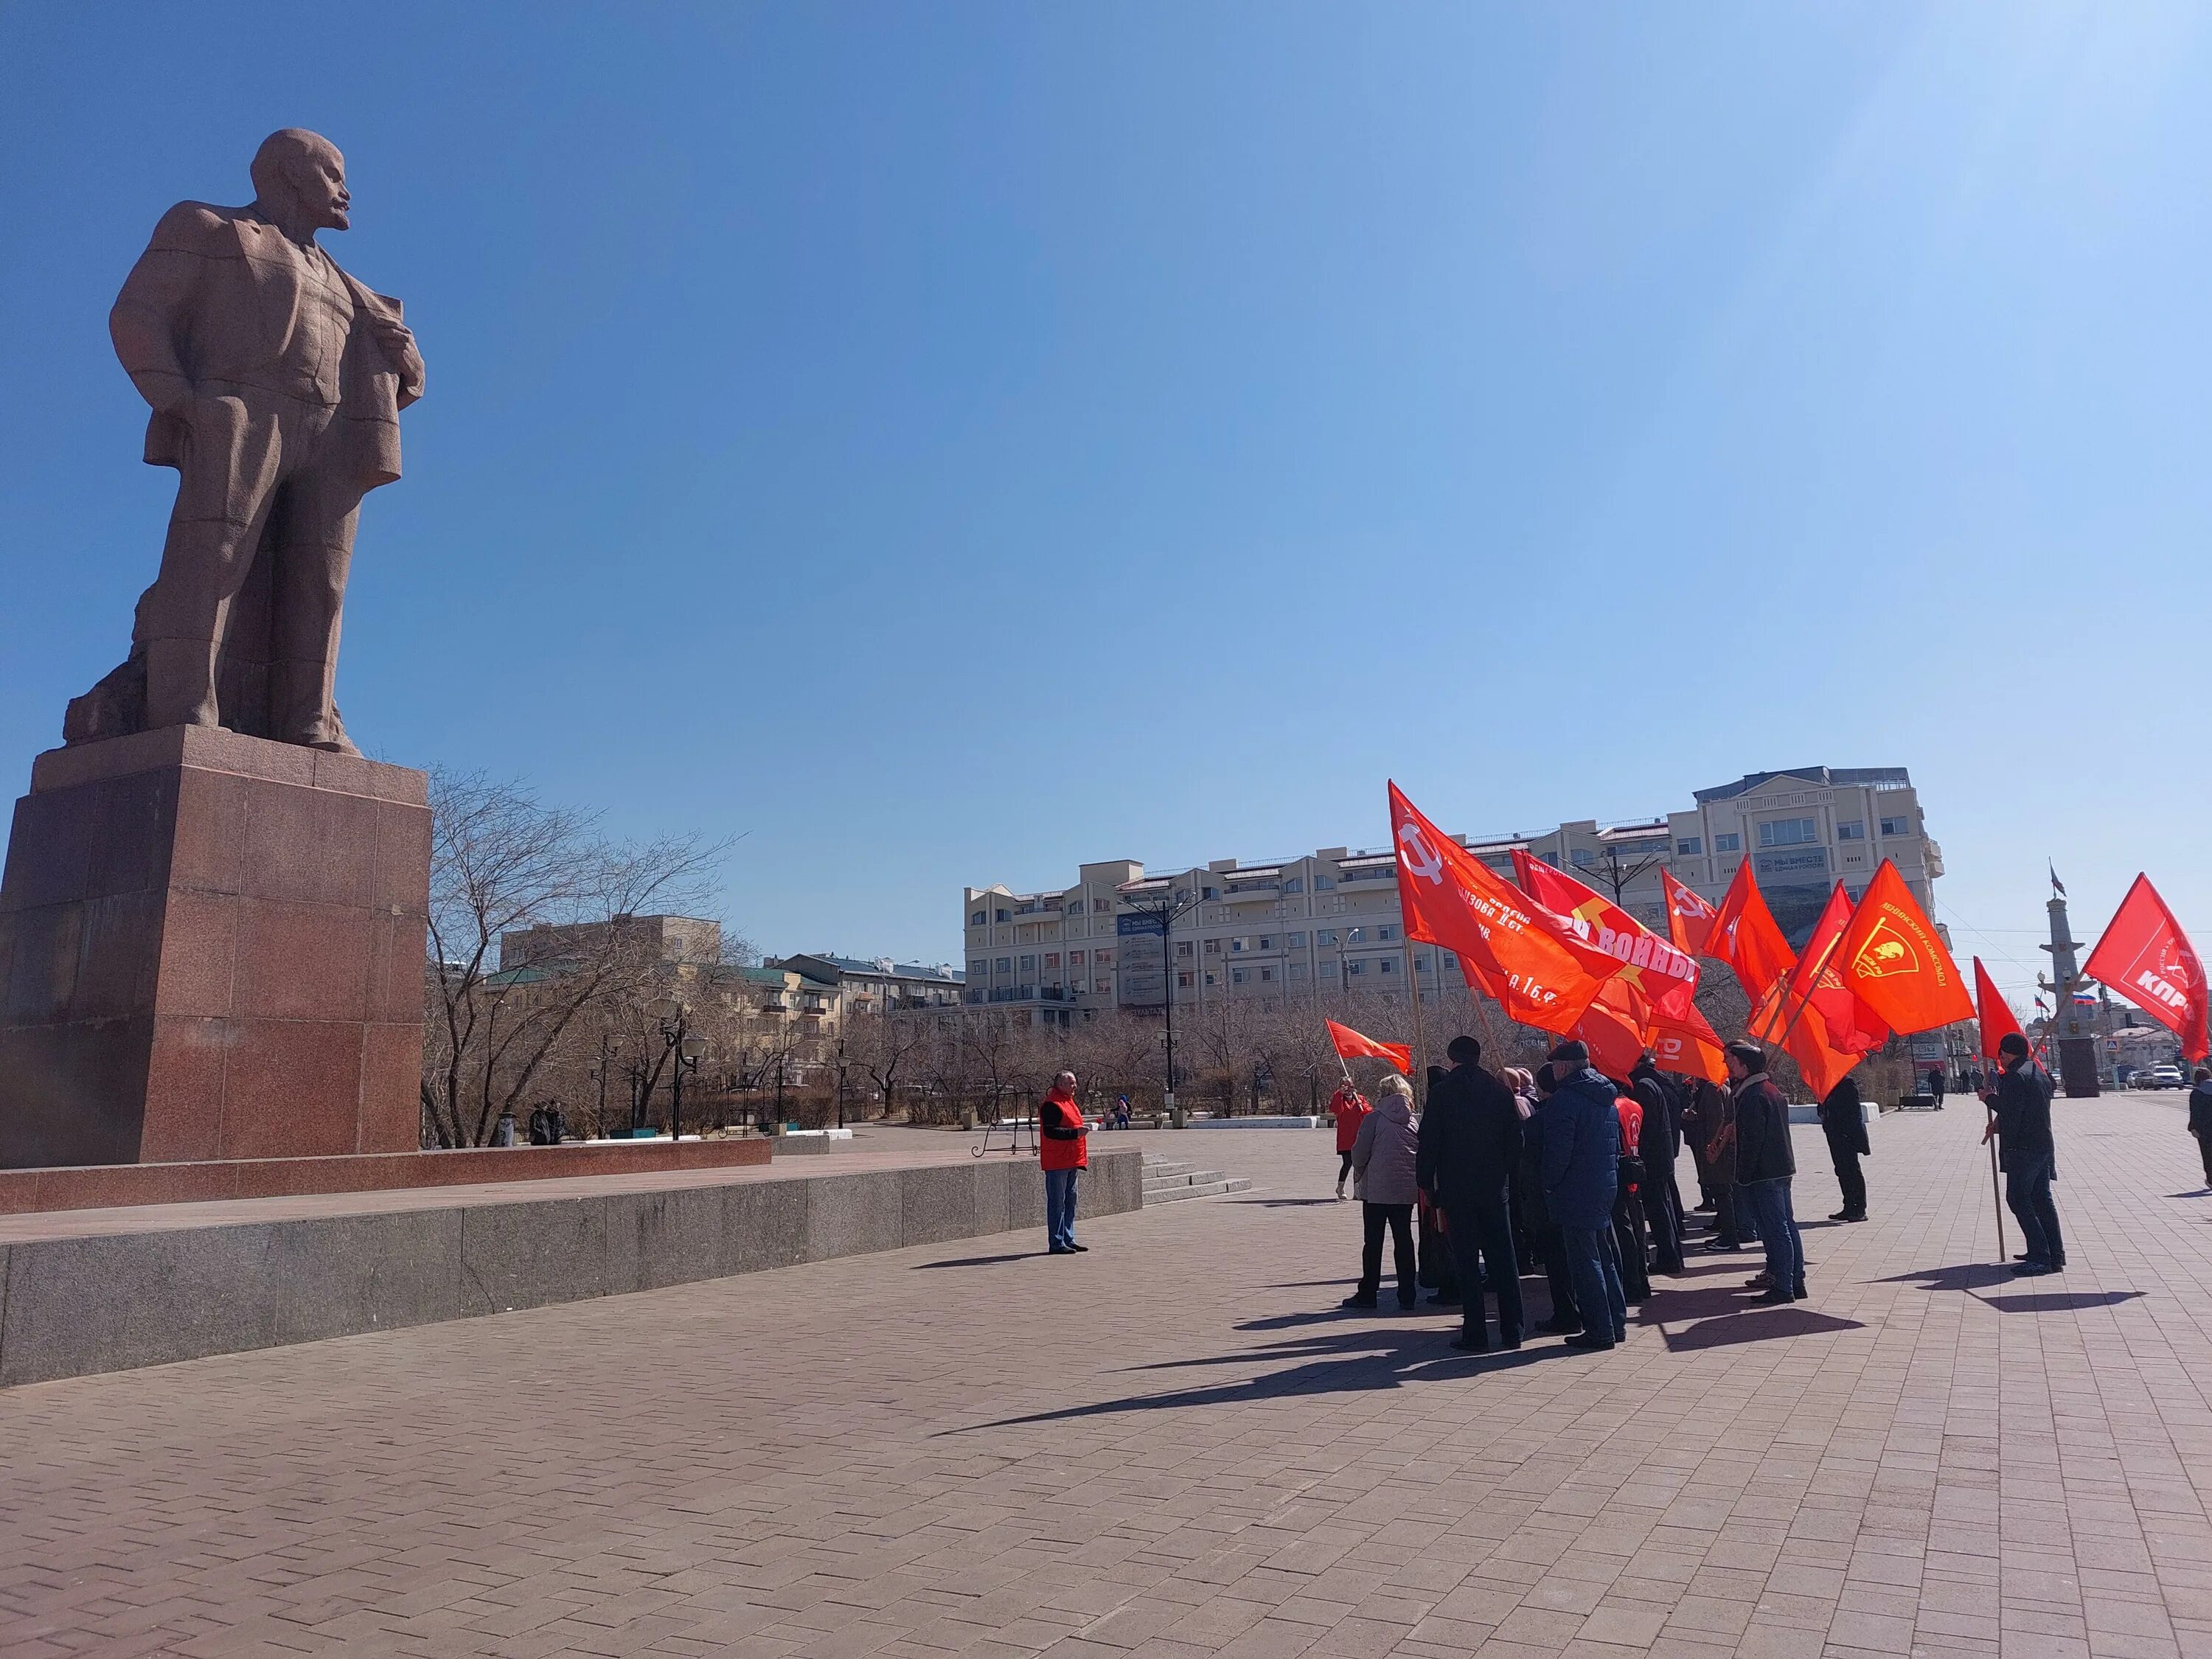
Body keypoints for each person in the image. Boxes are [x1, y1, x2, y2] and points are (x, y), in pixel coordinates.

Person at [1417, 1035, 1526, 1352]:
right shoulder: (1500, 1091)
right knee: (1503, 1260)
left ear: (1452, 1059)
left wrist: (1427, 1184)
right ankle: (1513, 1330)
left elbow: (1429, 1143)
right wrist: (1503, 1175)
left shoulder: (1442, 1093)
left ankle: (1475, 1333)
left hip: (1457, 1189)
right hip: (1494, 1190)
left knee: (1466, 1263)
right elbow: (1516, 1143)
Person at [1539, 1041, 1629, 1352]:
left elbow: (1558, 1152)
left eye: (1554, 1066)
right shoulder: (1605, 1095)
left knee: (1585, 1262)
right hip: (1603, 1184)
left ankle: (1600, 1330)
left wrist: (1549, 1183)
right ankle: (1615, 1323)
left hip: (1576, 1188)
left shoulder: (1565, 1100)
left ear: (1563, 1067)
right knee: (1604, 1258)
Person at [1727, 1041, 1805, 1304]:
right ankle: (1793, 1278)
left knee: (1776, 1228)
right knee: (1785, 1225)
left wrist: (1743, 1176)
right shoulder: (1769, 1090)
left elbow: (1753, 1141)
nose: (1728, 1065)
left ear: (1744, 1065)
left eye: (1732, 1061)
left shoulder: (1754, 1096)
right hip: (1780, 1168)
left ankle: (1784, 1285)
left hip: (1765, 1173)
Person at [1983, 1033, 2063, 1273]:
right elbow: (2027, 1110)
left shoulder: (2016, 1077)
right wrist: (1998, 1125)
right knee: (2041, 1201)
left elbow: (2012, 1110)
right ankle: (2054, 1255)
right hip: (2042, 1146)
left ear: (2008, 1053)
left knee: (2018, 1199)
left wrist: (1989, 1099)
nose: (2000, 1059)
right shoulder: (2039, 1073)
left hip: (2023, 1149)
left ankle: (2041, 1256)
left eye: (2001, 1054)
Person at [1343, 1074, 1420, 1310]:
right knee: (1404, 1240)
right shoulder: (1415, 1121)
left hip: (1376, 1190)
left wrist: (1360, 1172)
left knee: (1373, 1242)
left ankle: (1368, 1293)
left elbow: (1359, 1153)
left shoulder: (1374, 1119)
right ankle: (1407, 1294)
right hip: (1405, 1190)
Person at [1520, 1065, 1582, 1334]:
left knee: (1558, 1262)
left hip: (1547, 1199)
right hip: (1576, 1196)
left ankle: (1566, 1313)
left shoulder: (1538, 1123)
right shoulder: (1579, 1112)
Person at [1629, 1054, 1686, 1273]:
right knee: (1663, 1207)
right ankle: (1671, 1256)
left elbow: (1646, 1127)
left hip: (1653, 1158)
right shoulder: (1657, 1082)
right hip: (1661, 1156)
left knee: (1659, 1209)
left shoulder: (1642, 1086)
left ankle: (1668, 1258)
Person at [1608, 1084, 1653, 1302]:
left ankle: (1633, 1284)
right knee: (1637, 1229)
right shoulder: (1635, 1105)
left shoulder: (1614, 1108)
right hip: (1635, 1167)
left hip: (1623, 1171)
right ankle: (1642, 1281)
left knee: (1625, 1231)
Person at [1039, 1071, 1090, 1255]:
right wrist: (1076, 1134)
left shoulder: (1069, 1102)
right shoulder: (1052, 1104)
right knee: (1057, 1204)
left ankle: (1068, 1238)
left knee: (1070, 1202)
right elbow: (1050, 1132)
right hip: (1057, 1162)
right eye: (1071, 1083)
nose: (1075, 1086)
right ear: (1060, 1084)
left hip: (1071, 1160)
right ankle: (1057, 1242)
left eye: (1075, 1083)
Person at [1818, 1074, 1869, 1222]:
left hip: (1847, 1135)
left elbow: (1853, 1112)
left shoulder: (1847, 1083)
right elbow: (1822, 1106)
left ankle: (1859, 1209)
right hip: (1834, 1135)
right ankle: (1848, 1206)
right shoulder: (1827, 1084)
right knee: (1841, 1170)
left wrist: (1847, 1133)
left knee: (1852, 1171)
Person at [1329, 1079, 1372, 1200]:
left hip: (1359, 1137)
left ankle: (1358, 1190)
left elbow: (1369, 1113)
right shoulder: (1340, 1100)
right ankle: (1340, 1187)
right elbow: (1335, 1110)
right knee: (1348, 1163)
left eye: (1350, 1086)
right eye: (1345, 1087)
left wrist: (1361, 1104)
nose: (1348, 1089)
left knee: (1360, 1164)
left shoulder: (1360, 1099)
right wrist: (1339, 1094)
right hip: (1346, 1138)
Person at [2191, 1068, 2212, 1189]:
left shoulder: (2197, 1093)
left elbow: (2195, 1113)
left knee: (2208, 1155)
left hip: (2205, 1130)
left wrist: (2193, 1128)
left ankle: (2211, 1179)